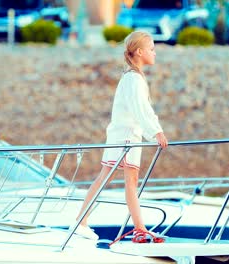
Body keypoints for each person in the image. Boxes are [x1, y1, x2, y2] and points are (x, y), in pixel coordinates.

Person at [71, 31, 168, 240]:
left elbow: (141, 109)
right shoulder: (133, 79)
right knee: (125, 180)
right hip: (126, 137)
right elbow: (140, 109)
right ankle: (137, 229)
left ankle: (82, 220)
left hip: (123, 135)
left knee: (111, 177)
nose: (155, 53)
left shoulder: (132, 77)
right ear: (140, 52)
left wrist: (154, 129)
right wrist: (156, 132)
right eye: (151, 49)